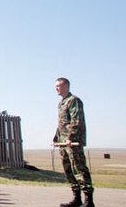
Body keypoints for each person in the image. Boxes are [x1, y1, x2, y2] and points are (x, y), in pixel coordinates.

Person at [53, 77, 95, 207]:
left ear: (66, 86)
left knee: (79, 169)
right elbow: (62, 124)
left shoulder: (74, 101)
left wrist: (70, 137)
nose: (56, 88)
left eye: (59, 86)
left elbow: (76, 120)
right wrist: (56, 137)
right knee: (68, 170)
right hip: (63, 142)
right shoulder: (61, 103)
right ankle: (76, 198)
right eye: (56, 86)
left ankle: (89, 201)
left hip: (73, 142)